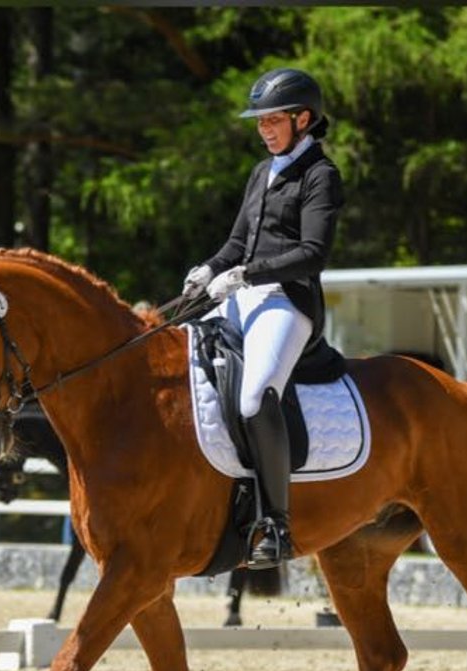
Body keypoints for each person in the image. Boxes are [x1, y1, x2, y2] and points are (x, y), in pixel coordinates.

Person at [180, 67, 344, 569]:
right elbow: (237, 242)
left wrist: (247, 274)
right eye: (260, 122)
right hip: (241, 292)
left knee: (254, 397)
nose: (263, 129)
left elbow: (313, 253)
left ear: (303, 119)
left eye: (272, 120)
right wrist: (209, 269)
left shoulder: (321, 175)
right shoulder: (261, 172)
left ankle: (275, 521)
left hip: (287, 302)